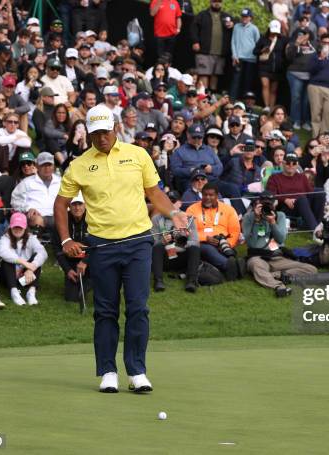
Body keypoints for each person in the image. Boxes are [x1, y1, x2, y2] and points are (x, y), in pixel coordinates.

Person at [54, 104, 189, 393]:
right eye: (96, 133)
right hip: (101, 246)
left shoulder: (137, 155)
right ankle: (108, 371)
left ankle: (137, 371)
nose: (102, 137)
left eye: (106, 130)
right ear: (88, 134)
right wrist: (66, 240)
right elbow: (61, 203)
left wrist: (173, 213)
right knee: (105, 310)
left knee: (138, 308)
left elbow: (154, 192)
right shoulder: (79, 164)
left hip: (139, 242)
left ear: (116, 126)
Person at [243, 192, 317, 297]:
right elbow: (252, 244)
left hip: (276, 257)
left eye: (269, 204)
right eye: (264, 204)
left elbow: (280, 239)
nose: (267, 206)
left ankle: (275, 275)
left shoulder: (280, 216)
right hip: (258, 257)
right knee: (255, 265)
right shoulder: (248, 217)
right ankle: (278, 286)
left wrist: (272, 222)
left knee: (311, 269)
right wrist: (257, 221)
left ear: (275, 204)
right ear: (258, 203)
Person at [185, 182, 242, 280]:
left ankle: (228, 266)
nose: (208, 197)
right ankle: (230, 266)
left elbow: (235, 232)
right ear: (201, 195)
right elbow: (188, 232)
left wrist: (226, 244)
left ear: (217, 195)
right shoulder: (192, 210)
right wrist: (205, 238)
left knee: (222, 252)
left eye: (211, 195)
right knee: (208, 249)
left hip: (223, 243)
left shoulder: (229, 210)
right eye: (205, 195)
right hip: (201, 243)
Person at [151, 191, 199, 292]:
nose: (170, 205)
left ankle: (191, 281)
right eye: (167, 202)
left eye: (173, 201)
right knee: (157, 247)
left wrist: (184, 239)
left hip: (182, 255)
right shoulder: (156, 219)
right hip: (164, 258)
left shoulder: (188, 219)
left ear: (180, 203)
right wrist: (162, 241)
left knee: (195, 248)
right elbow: (152, 244)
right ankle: (158, 281)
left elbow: (195, 241)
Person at [0, 212, 48, 306]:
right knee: (7, 260)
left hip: (24, 278)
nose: (18, 229)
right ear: (11, 227)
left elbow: (43, 253)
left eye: (20, 227)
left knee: (36, 260)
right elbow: (3, 252)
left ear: (25, 228)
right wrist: (24, 263)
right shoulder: (5, 238)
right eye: (15, 226)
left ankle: (31, 292)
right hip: (6, 278)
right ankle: (14, 292)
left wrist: (31, 268)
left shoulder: (31, 238)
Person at [267, 152, 323, 230]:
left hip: (303, 205)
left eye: (294, 163)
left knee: (319, 192)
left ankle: (317, 225)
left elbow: (310, 192)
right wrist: (284, 199)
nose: (291, 165)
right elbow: (270, 194)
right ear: (283, 163)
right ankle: (315, 230)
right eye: (288, 163)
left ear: (297, 165)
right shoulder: (274, 178)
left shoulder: (302, 177)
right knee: (301, 198)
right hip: (286, 207)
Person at [51, 193, 90, 302]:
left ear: (85, 205)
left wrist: (85, 261)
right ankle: (81, 283)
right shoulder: (61, 221)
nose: (77, 208)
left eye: (80, 204)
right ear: (69, 206)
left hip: (90, 260)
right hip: (71, 261)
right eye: (74, 204)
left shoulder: (93, 220)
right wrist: (67, 270)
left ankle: (92, 282)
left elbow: (97, 245)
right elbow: (56, 248)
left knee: (84, 291)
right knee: (71, 298)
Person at [11, 152, 61, 232]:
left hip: (59, 216)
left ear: (53, 166)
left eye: (49, 165)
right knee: (35, 219)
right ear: (37, 166)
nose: (47, 168)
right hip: (38, 217)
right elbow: (15, 201)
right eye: (43, 165)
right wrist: (28, 208)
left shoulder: (61, 182)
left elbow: (74, 198)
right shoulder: (26, 182)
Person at [230, 8, 260, 99]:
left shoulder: (254, 29)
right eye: (243, 16)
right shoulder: (236, 26)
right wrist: (234, 55)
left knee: (248, 81)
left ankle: (246, 102)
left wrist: (255, 55)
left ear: (250, 18)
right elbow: (233, 42)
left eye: (246, 17)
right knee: (236, 80)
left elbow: (258, 43)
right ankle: (232, 99)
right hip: (238, 58)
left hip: (251, 59)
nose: (244, 18)